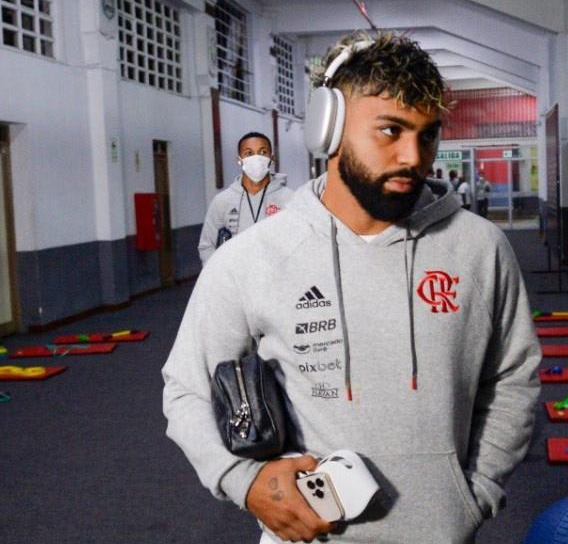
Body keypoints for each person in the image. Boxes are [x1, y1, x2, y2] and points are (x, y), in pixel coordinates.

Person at [163, 32, 541, 543]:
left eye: (427, 135)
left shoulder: (480, 249)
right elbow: (186, 387)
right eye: (390, 130)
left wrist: (474, 493)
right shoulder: (251, 258)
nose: (414, 155)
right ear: (329, 129)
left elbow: (513, 378)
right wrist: (243, 480)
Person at [196, 132, 296, 266]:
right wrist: (220, 277)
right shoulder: (222, 201)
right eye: (249, 153)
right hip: (236, 280)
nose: (256, 158)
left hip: (276, 280)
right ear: (239, 159)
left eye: (262, 152)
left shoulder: (290, 199)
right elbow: (206, 246)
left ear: (272, 158)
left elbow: (300, 243)